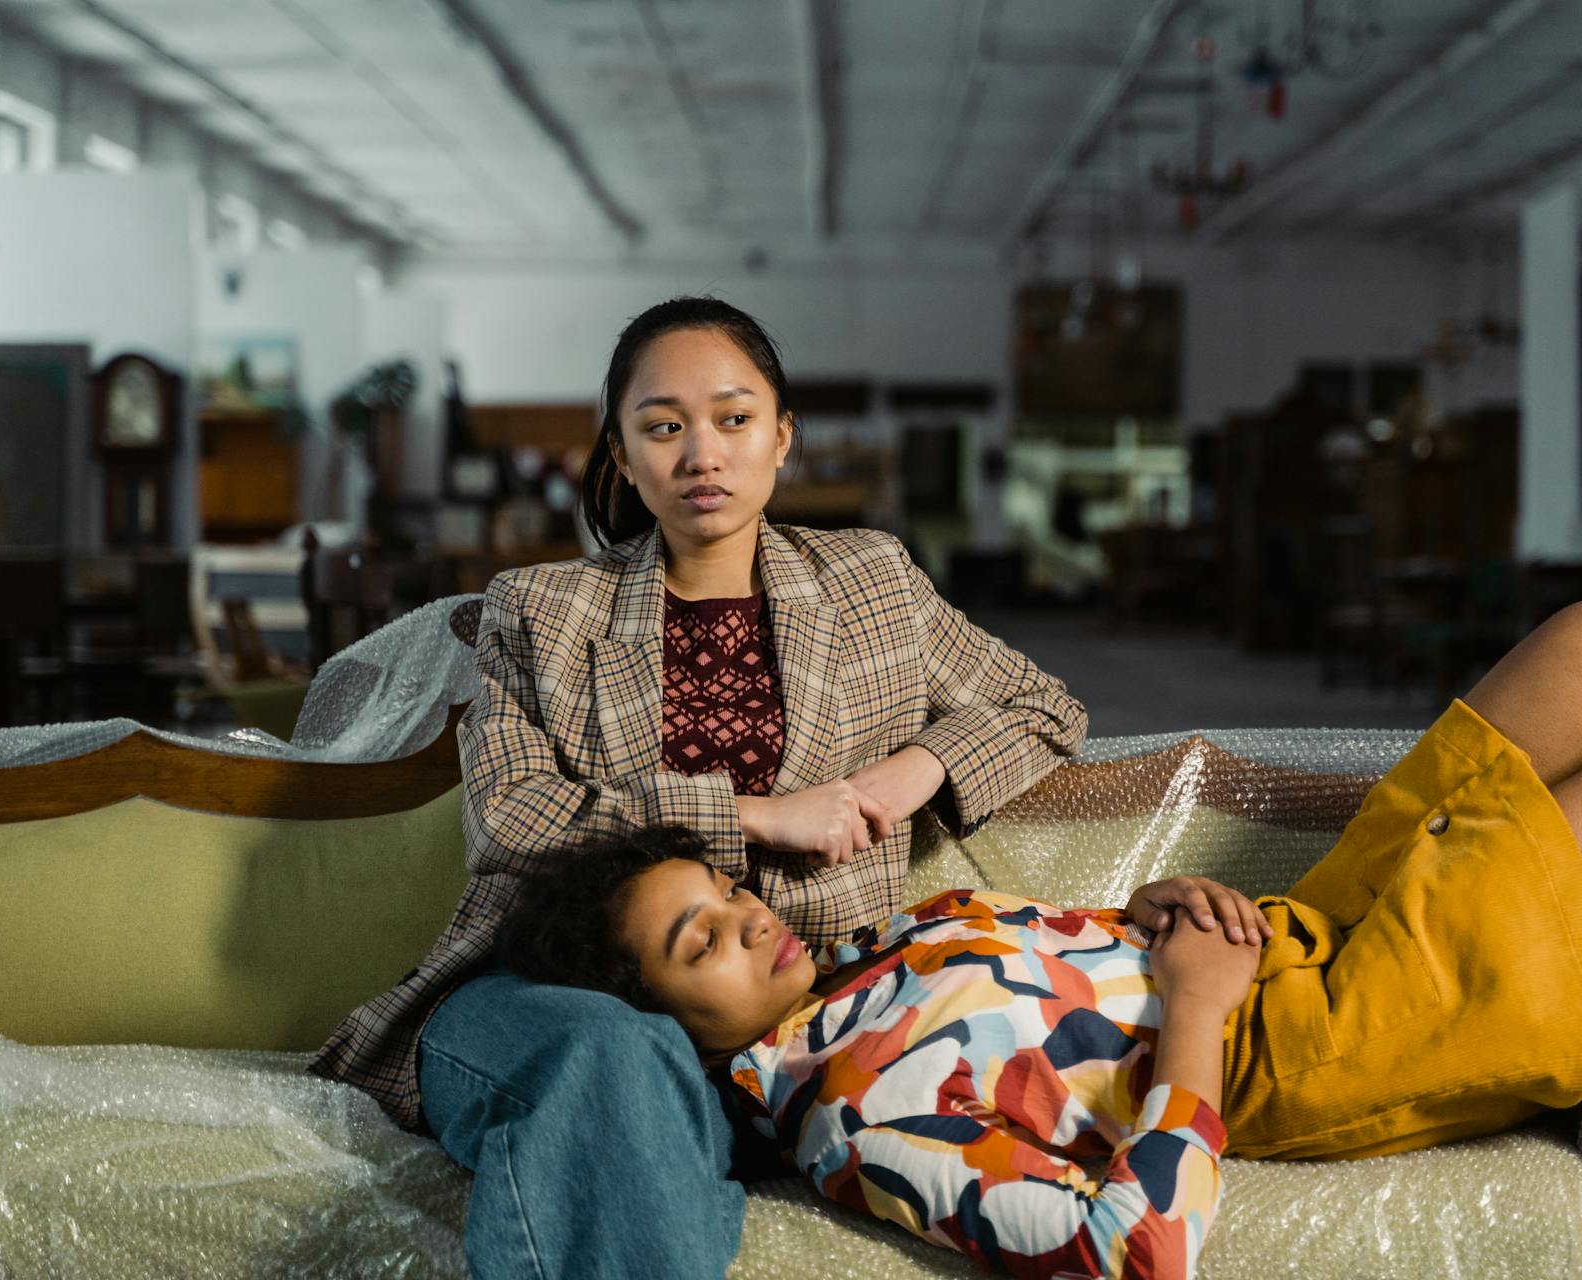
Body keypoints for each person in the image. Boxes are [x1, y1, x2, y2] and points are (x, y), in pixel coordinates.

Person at [493, 640, 1582, 1278]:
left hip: (1290, 939)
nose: (748, 917)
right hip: (1315, 1035)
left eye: (724, 892)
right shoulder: (858, 1114)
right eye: (701, 941)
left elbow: (1070, 982)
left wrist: (1159, 918)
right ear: (667, 1023)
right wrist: (1194, 1010)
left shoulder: (874, 959)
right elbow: (1131, 1255)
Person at [308, 297, 1088, 1279]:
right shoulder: (542, 609)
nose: (701, 454)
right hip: (560, 994)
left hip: (794, 1031)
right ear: (624, 456)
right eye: (663, 426)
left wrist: (912, 769)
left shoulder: (872, 580)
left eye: (733, 417)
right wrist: (756, 814)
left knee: (665, 1089)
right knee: (614, 1055)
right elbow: (511, 816)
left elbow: (1042, 705)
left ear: (782, 437)